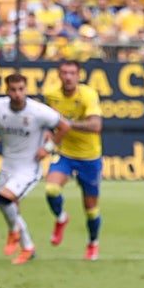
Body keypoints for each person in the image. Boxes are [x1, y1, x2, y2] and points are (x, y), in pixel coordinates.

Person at [0, 73, 70, 264]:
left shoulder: (38, 111)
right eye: (13, 90)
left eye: (21, 89)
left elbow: (65, 126)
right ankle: (28, 248)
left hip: (29, 168)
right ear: (7, 90)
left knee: (4, 199)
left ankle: (14, 231)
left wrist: (48, 148)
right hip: (8, 166)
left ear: (26, 89)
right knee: (11, 207)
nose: (17, 94)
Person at [43, 59, 104, 261]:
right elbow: (46, 120)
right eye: (64, 73)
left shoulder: (88, 95)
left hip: (89, 157)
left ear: (79, 76)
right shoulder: (51, 95)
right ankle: (61, 218)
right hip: (65, 154)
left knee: (91, 210)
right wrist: (46, 133)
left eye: (72, 73)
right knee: (51, 189)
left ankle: (93, 243)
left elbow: (96, 125)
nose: (68, 77)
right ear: (59, 75)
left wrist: (66, 123)